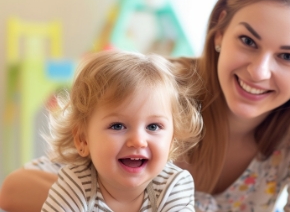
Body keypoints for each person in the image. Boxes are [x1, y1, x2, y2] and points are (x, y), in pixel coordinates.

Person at [0, 0, 290, 211]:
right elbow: (15, 190)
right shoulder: (160, 90)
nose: (259, 71)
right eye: (247, 40)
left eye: (288, 57)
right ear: (220, 31)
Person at [39, 50, 203, 211]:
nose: (138, 140)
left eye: (153, 127)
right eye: (117, 126)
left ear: (172, 139)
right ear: (83, 139)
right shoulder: (76, 184)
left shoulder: (173, 185)